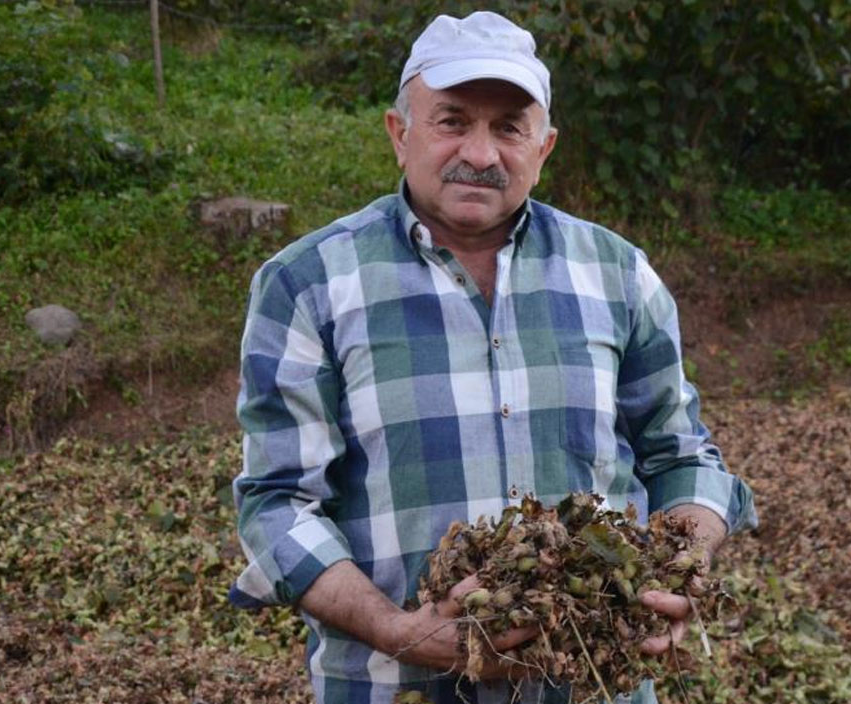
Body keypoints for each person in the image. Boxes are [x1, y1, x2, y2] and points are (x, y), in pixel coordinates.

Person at [228, 11, 757, 704]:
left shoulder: (619, 277)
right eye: (452, 120)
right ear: (400, 133)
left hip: (592, 684)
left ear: (545, 147)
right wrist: (397, 628)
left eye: (509, 126)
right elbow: (277, 501)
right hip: (395, 687)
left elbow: (680, 455)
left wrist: (685, 564)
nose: (480, 152)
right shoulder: (309, 284)